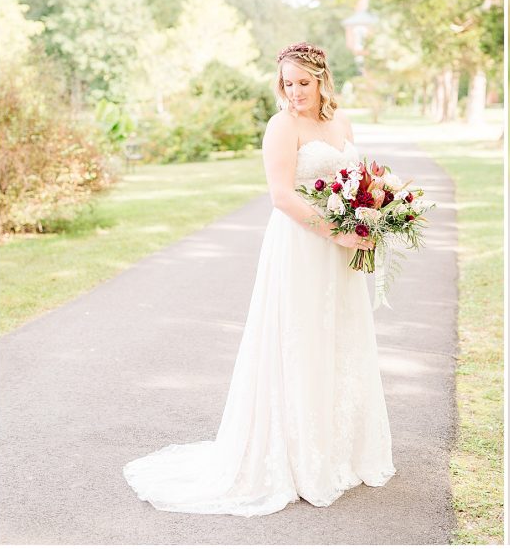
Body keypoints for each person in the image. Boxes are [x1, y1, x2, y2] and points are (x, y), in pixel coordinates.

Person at [124, 42, 396, 516]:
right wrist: (339, 233)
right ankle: (295, 458)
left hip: (341, 252)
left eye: (303, 84)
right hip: (302, 247)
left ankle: (338, 452)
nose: (294, 93)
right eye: (287, 84)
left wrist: (369, 218)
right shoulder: (281, 126)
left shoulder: (342, 122)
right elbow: (281, 197)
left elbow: (357, 181)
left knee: (339, 339)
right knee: (301, 340)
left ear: (322, 80)